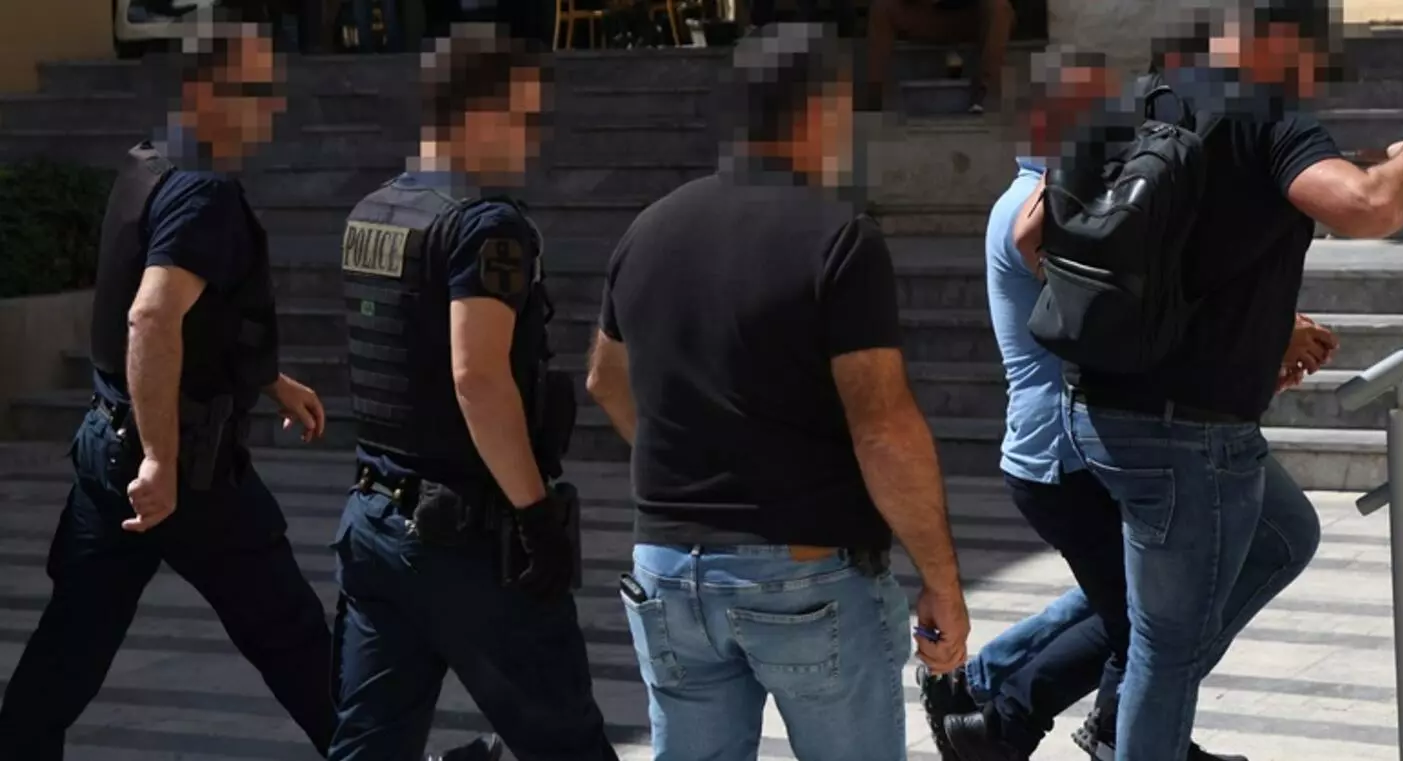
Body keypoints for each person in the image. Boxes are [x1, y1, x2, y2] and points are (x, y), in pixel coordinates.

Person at [1015, 3, 1403, 759]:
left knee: (1285, 534)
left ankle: (1124, 714)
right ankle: (1127, 729)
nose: (1316, 78)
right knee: (1166, 649)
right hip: (1187, 433)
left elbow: (1029, 237)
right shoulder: (1267, 116)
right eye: (1314, 58)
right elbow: (1369, 206)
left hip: (1096, 406)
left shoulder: (1134, 98)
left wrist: (1203, 325)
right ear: (1282, 42)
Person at [919, 47, 1339, 761]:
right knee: (1149, 626)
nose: (1125, 116)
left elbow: (1158, 297)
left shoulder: (1095, 189)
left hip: (1105, 433)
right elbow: (1109, 299)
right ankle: (1032, 719)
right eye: (1098, 105)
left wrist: (1254, 341)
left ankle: (1017, 696)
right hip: (1072, 450)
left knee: (1193, 585)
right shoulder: (1050, 202)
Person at [585, 22, 970, 760]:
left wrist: (707, 459)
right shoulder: (840, 238)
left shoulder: (648, 230)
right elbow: (883, 428)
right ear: (820, 110)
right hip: (805, 571)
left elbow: (605, 378)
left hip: (667, 569)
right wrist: (942, 581)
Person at [0, 18, 337, 760]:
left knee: (71, 642)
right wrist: (161, 456)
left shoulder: (148, 164)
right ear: (203, 91)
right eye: (254, 90)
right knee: (290, 631)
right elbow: (151, 316)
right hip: (182, 461)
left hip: (109, 444)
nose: (271, 107)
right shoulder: (203, 193)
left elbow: (196, 315)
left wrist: (266, 378)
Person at [327, 24, 617, 761]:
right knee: (568, 744)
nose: (532, 136)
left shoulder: (373, 211)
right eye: (523, 115)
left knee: (369, 747)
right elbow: (477, 377)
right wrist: (536, 515)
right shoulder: (488, 227)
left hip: (374, 520)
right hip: (469, 536)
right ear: (478, 112)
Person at [863, 0, 1014, 113]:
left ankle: (986, 95)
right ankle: (874, 101)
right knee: (881, 8)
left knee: (1000, 9)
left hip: (969, 17)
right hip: (926, 15)